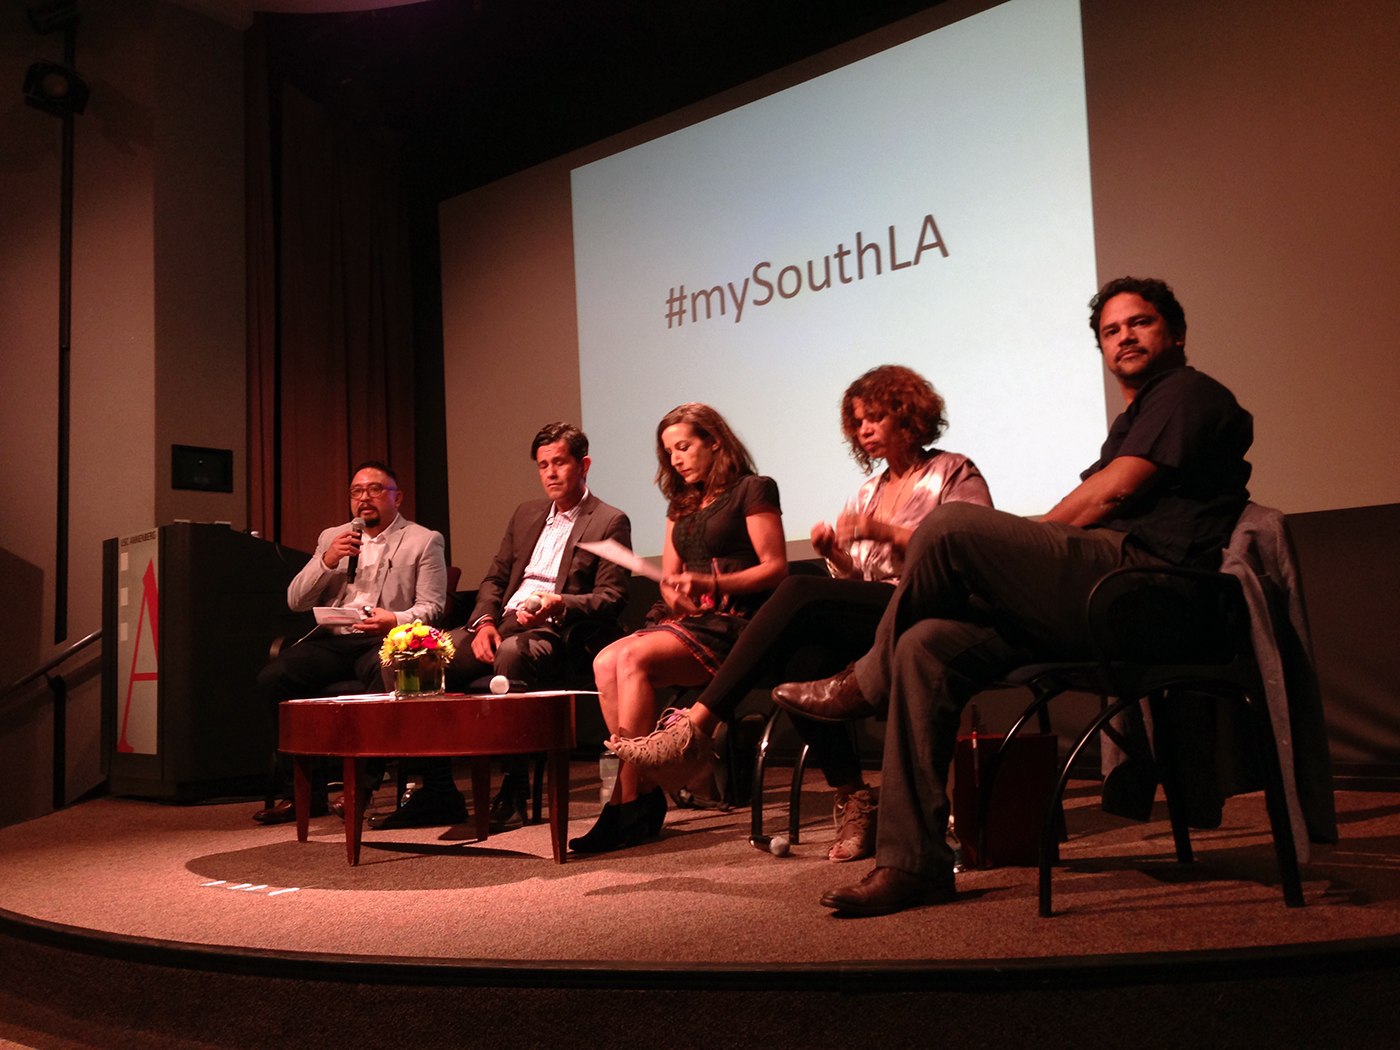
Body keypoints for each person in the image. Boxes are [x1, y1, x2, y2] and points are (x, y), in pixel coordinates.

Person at [772, 277, 1254, 916]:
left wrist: (1017, 544)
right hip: (1099, 595)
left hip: (1149, 588)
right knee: (923, 647)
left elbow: (1111, 493)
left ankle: (865, 680)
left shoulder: (1188, 393)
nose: (1125, 337)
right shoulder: (1135, 417)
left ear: (1177, 333)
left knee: (948, 526)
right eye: (1112, 331)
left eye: (1139, 324)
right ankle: (914, 865)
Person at [608, 366, 991, 862]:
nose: (864, 430)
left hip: (934, 608)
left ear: (909, 415)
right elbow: (859, 583)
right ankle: (855, 796)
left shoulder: (953, 470)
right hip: (881, 613)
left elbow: (974, 551)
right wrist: (840, 556)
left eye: (874, 417)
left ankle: (695, 728)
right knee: (798, 667)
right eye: (857, 422)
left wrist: (887, 533)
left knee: (794, 589)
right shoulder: (869, 490)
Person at [373, 423, 631, 832]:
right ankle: (438, 789)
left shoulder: (609, 520)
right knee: (411, 658)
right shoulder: (526, 514)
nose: (549, 472)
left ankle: (514, 787)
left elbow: (611, 597)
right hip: (500, 623)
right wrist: (486, 622)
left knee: (512, 654)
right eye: (543, 465)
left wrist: (557, 605)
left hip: (552, 631)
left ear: (583, 465)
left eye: (559, 463)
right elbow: (494, 579)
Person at [570, 403, 787, 854]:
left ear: (715, 441)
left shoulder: (754, 488)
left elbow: (775, 569)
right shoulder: (681, 504)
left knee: (630, 658)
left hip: (740, 621)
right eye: (669, 453)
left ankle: (625, 803)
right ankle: (643, 794)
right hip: (691, 619)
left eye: (684, 446)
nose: (677, 459)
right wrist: (677, 595)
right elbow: (671, 579)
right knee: (605, 659)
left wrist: (712, 582)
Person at [253, 461, 447, 824]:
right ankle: (302, 794)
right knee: (273, 678)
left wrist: (395, 619)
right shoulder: (333, 537)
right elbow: (296, 600)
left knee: (384, 671)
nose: (364, 499)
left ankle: (361, 790)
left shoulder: (424, 540)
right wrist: (327, 560)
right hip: (334, 639)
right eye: (357, 491)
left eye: (375, 489)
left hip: (382, 639)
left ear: (397, 497)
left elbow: (432, 608)